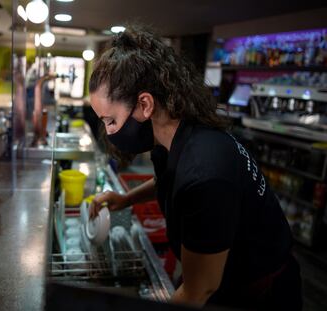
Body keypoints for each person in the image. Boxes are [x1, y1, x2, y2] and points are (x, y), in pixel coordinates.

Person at [88, 26, 302, 310]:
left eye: (110, 121)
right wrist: (127, 199)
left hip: (257, 294)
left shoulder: (205, 175)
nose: (110, 131)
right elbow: (172, 181)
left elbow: (197, 292)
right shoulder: (178, 136)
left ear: (145, 104)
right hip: (221, 277)